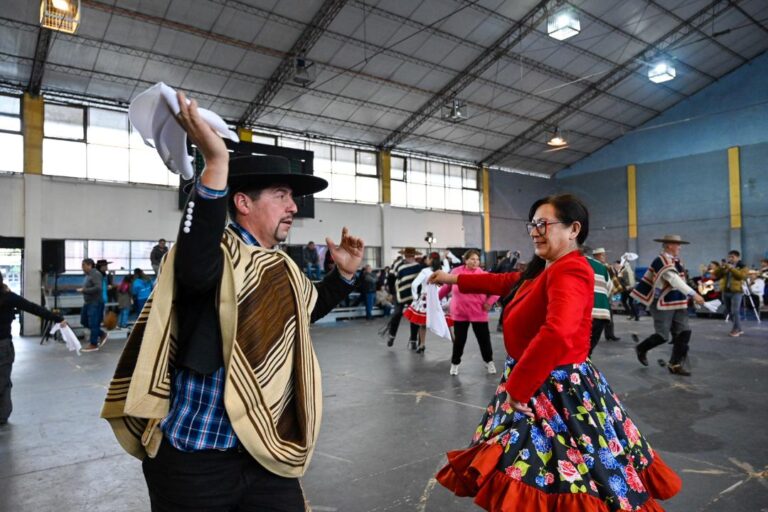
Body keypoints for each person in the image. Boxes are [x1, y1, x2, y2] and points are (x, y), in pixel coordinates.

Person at [101, 91, 363, 512]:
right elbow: (196, 265)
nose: (293, 206)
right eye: (281, 194)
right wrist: (216, 166)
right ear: (243, 202)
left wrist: (344, 275)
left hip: (266, 453)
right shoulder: (211, 253)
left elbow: (306, 311)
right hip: (196, 457)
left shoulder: (280, 267)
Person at [429, 194, 681, 511]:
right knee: (545, 472)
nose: (535, 232)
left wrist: (519, 387)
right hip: (535, 386)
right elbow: (506, 281)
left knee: (563, 473)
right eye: (533, 224)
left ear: (574, 229)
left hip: (554, 391)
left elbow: (558, 331)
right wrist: (451, 278)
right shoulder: (546, 268)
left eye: (543, 224)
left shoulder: (570, 269)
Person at [631, 235, 705, 376]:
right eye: (677, 245)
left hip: (678, 301)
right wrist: (693, 294)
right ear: (669, 245)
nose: (680, 247)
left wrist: (692, 294)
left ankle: (675, 364)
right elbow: (674, 280)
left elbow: (683, 280)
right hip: (662, 302)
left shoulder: (677, 261)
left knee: (684, 332)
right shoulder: (661, 260)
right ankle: (641, 348)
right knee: (662, 335)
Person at [0, 271, 67, 425]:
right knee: (3, 382)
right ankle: (2, 416)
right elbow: (32, 308)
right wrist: (57, 318)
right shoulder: (8, 297)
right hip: (3, 345)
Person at [438, 249, 498, 375]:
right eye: (472, 259)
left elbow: (496, 290)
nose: (475, 262)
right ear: (466, 260)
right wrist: (435, 299)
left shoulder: (484, 275)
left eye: (477, 260)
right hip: (460, 313)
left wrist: (489, 302)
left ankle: (489, 362)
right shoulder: (456, 272)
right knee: (459, 341)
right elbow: (446, 287)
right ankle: (455, 364)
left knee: (484, 340)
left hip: (479, 313)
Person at [404, 252, 452, 354]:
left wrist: (415, 297)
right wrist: (445, 258)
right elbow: (447, 266)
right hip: (440, 299)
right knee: (446, 322)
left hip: (427, 299)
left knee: (422, 323)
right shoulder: (444, 270)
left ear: (431, 260)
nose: (426, 260)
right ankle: (455, 342)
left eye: (428, 258)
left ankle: (422, 344)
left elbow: (414, 284)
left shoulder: (425, 271)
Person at [384, 248, 422, 349]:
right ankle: (391, 335)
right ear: (405, 255)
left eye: (411, 255)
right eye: (407, 255)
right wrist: (392, 292)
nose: (409, 257)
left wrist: (419, 293)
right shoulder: (398, 264)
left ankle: (413, 340)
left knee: (414, 317)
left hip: (413, 294)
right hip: (399, 292)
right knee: (397, 313)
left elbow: (421, 281)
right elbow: (391, 277)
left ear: (414, 256)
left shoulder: (418, 267)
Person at [585, 247, 614, 356]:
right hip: (601, 313)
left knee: (577, 351)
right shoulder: (601, 267)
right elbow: (610, 288)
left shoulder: (568, 264)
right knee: (588, 350)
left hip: (583, 314)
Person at [713, 250, 749, 337]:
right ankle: (739, 328)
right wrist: (721, 267)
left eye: (732, 257)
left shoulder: (743, 267)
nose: (730, 259)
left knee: (735, 311)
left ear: (738, 257)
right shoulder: (726, 266)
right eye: (729, 257)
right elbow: (716, 275)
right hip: (726, 291)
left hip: (736, 292)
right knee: (728, 311)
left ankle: (735, 330)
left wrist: (731, 269)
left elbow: (741, 276)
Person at [77, 258, 106, 352]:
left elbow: (98, 288)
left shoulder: (96, 274)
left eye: (83, 265)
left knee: (94, 323)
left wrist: (84, 290)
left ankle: (93, 344)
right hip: (88, 303)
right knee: (84, 321)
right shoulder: (88, 275)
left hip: (95, 302)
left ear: (90, 265)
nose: (82, 267)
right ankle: (101, 334)